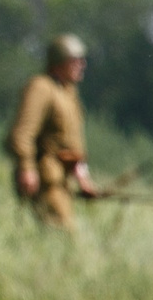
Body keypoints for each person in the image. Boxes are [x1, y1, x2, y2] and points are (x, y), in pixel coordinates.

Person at [7, 35, 99, 228]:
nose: (82, 65)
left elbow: (73, 145)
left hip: (62, 181)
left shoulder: (69, 93)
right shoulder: (41, 87)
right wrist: (27, 168)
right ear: (59, 63)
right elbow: (21, 135)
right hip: (44, 179)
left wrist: (83, 178)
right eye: (75, 61)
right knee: (64, 237)